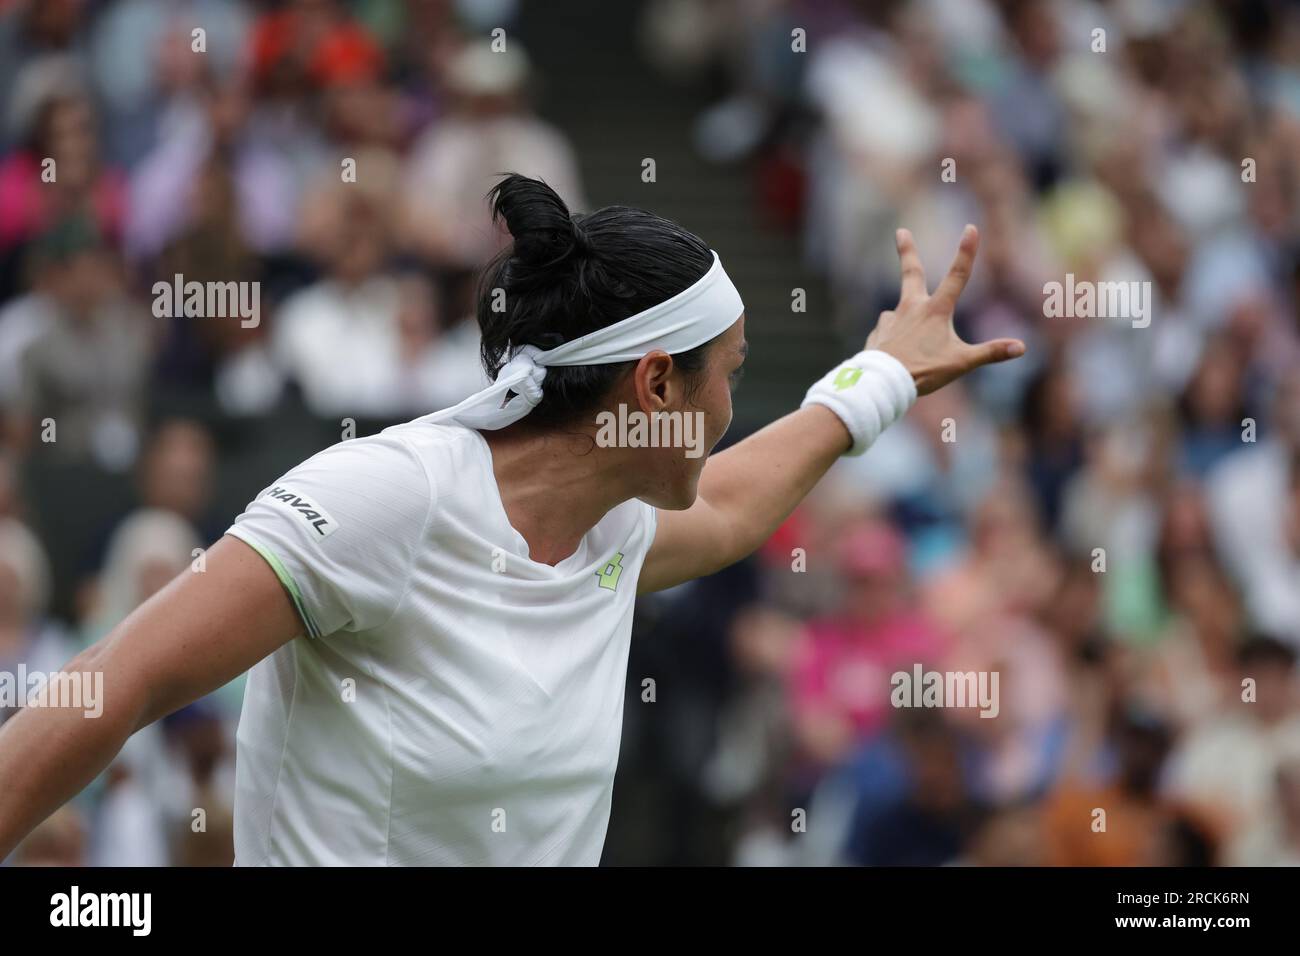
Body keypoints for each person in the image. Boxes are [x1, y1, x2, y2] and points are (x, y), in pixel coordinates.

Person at [0, 174, 1024, 866]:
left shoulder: (616, 525)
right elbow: (120, 676)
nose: (729, 411)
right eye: (732, 375)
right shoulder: (388, 498)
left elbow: (730, 499)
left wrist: (883, 376)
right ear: (656, 381)